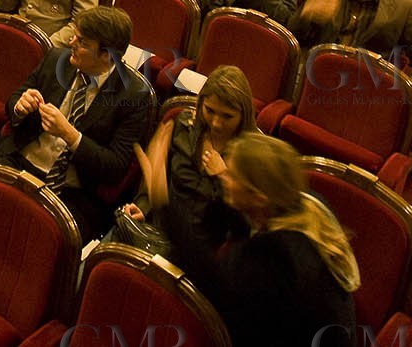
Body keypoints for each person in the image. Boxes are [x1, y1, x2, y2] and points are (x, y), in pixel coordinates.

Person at [150, 133, 360, 347]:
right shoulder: (309, 203)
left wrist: (161, 199)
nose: (222, 176)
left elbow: (213, 284)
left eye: (232, 175)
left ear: (258, 197)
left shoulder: (275, 254)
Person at [0, 6, 154, 240]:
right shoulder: (57, 59)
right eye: (75, 35)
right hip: (20, 159)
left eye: (83, 42)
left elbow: (115, 168)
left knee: (38, 239)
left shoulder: (134, 96)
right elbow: (14, 99)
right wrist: (20, 105)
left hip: (72, 192)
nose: (72, 42)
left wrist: (70, 135)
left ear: (107, 54)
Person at [119, 66, 258, 256]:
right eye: (210, 111)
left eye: (227, 116)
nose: (216, 123)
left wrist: (224, 177)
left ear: (243, 115)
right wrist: (144, 208)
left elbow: (245, 227)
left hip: (202, 254)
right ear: (201, 103)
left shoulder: (251, 155)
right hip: (160, 231)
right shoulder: (185, 126)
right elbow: (160, 181)